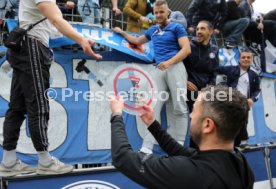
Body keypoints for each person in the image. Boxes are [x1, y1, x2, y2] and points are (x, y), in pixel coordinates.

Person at [0, 0, 102, 177]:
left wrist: (79, 36)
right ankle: (45, 161)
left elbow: (54, 28)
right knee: (38, 106)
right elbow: (56, 20)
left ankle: (8, 163)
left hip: (26, 47)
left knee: (17, 107)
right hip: (32, 48)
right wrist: (81, 40)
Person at [109, 85, 255, 189]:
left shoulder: (189, 173)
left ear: (207, 125)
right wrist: (152, 124)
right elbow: (180, 151)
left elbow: (122, 157)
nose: (191, 115)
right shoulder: (240, 163)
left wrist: (116, 114)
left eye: (194, 111)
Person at [113, 0, 191, 154]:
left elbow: (186, 49)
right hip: (159, 69)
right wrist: (121, 32)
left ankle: (179, 145)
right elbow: (136, 41)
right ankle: (147, 147)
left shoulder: (177, 27)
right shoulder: (153, 30)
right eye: (156, 12)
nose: (159, 15)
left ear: (167, 12)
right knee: (152, 107)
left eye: (161, 12)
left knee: (179, 106)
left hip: (174, 67)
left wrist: (169, 62)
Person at [217, 49, 261, 146]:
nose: (246, 59)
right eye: (243, 57)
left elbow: (258, 90)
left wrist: (252, 99)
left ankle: (239, 143)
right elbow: (215, 69)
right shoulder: (231, 69)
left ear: (252, 59)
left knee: (241, 123)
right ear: (239, 59)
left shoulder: (254, 75)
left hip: (245, 103)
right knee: (235, 121)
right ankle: (242, 140)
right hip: (232, 101)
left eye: (248, 57)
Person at [183, 20, 218, 112]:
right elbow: (179, 66)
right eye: (197, 29)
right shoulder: (188, 46)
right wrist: (184, 81)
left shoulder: (214, 49)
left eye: (202, 29)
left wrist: (210, 88)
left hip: (206, 90)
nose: (198, 31)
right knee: (198, 115)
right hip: (189, 88)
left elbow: (214, 71)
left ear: (210, 31)